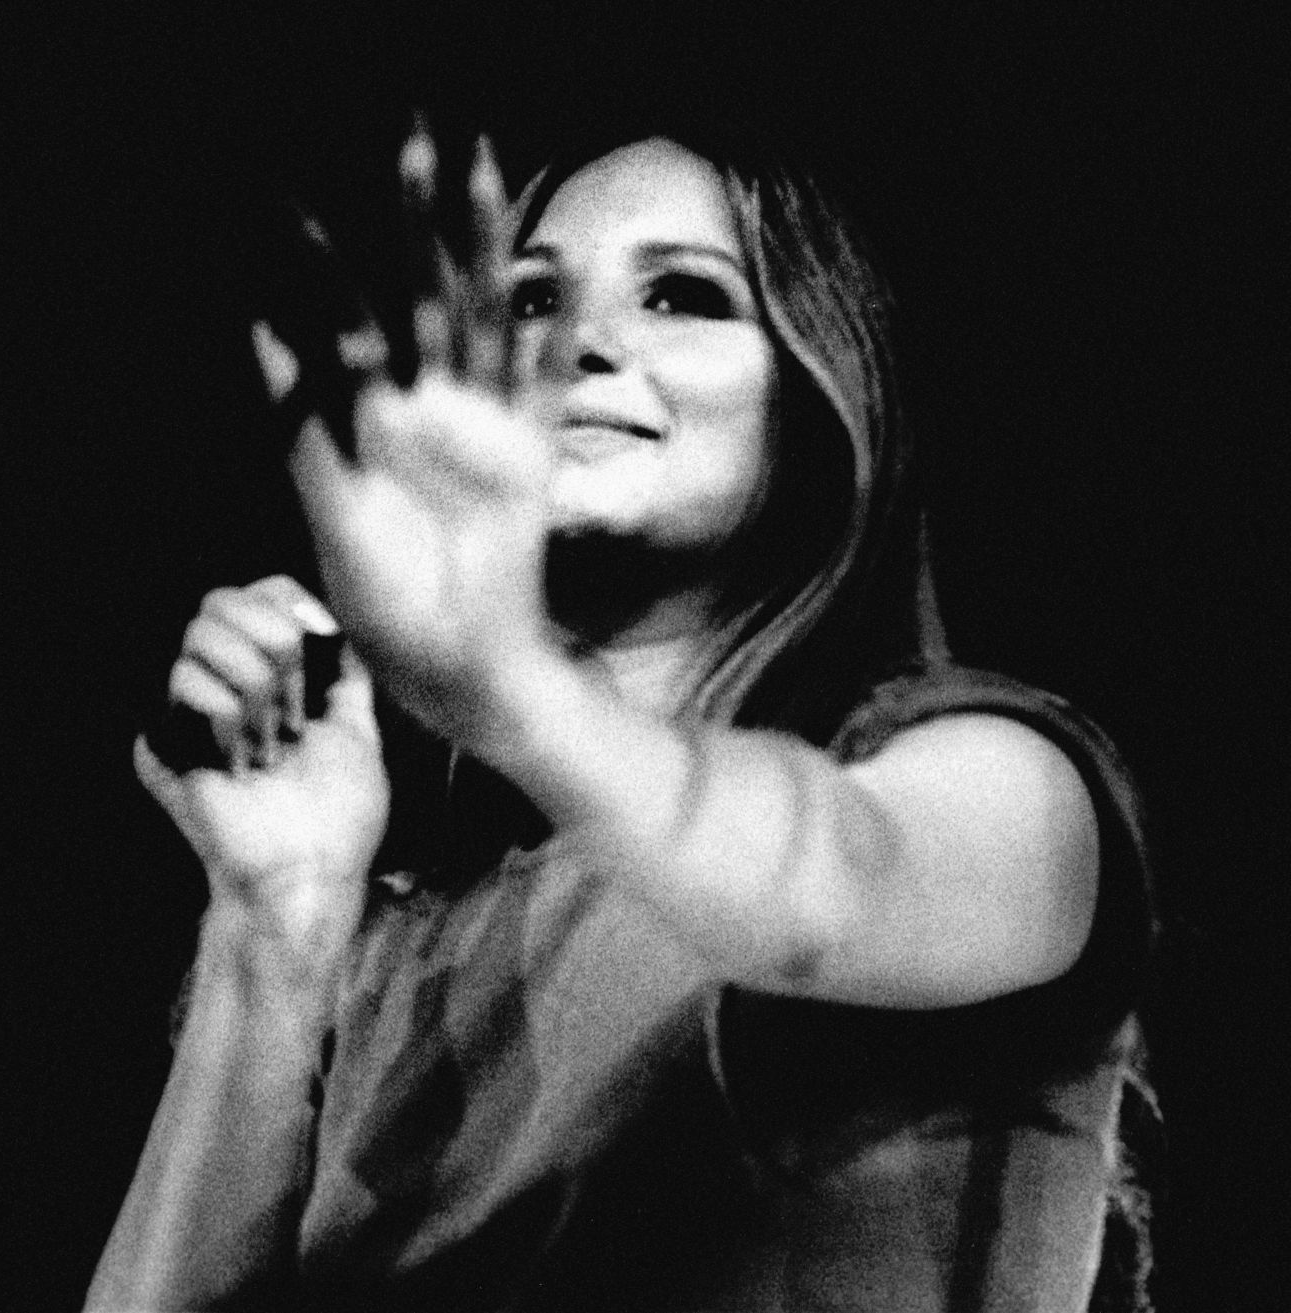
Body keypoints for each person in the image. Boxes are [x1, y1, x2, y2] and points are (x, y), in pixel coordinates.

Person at [85, 119, 1157, 1312]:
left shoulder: (1004, 781)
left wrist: (515, 689)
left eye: (685, 295)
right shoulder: (397, 944)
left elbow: (824, 890)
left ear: (822, 379)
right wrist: (268, 926)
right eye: (532, 301)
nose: (582, 343)